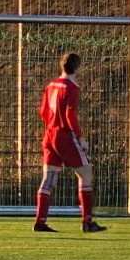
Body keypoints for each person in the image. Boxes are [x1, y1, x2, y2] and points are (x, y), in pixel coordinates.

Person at [33, 52, 106, 233]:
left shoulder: (51, 85)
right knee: (86, 174)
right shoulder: (72, 87)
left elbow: (43, 111)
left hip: (49, 133)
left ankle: (40, 221)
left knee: (48, 179)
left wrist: (52, 125)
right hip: (64, 135)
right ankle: (87, 221)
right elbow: (69, 114)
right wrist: (80, 138)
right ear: (78, 68)